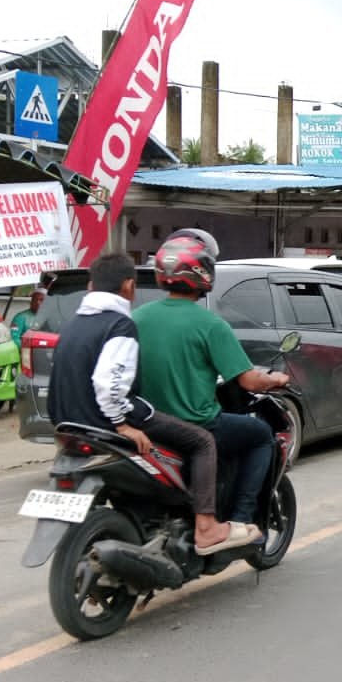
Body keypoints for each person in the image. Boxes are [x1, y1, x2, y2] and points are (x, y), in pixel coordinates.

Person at [47, 253, 241, 555]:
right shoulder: (119, 324)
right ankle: (207, 526)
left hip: (71, 423)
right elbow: (108, 383)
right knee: (202, 441)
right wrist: (122, 424)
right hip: (106, 421)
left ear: (90, 286)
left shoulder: (74, 323)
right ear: (128, 286)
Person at [132, 232, 294, 551]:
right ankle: (239, 521)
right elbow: (247, 380)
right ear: (202, 274)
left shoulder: (136, 318)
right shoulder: (210, 325)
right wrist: (277, 380)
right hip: (196, 424)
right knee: (261, 434)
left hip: (147, 423)